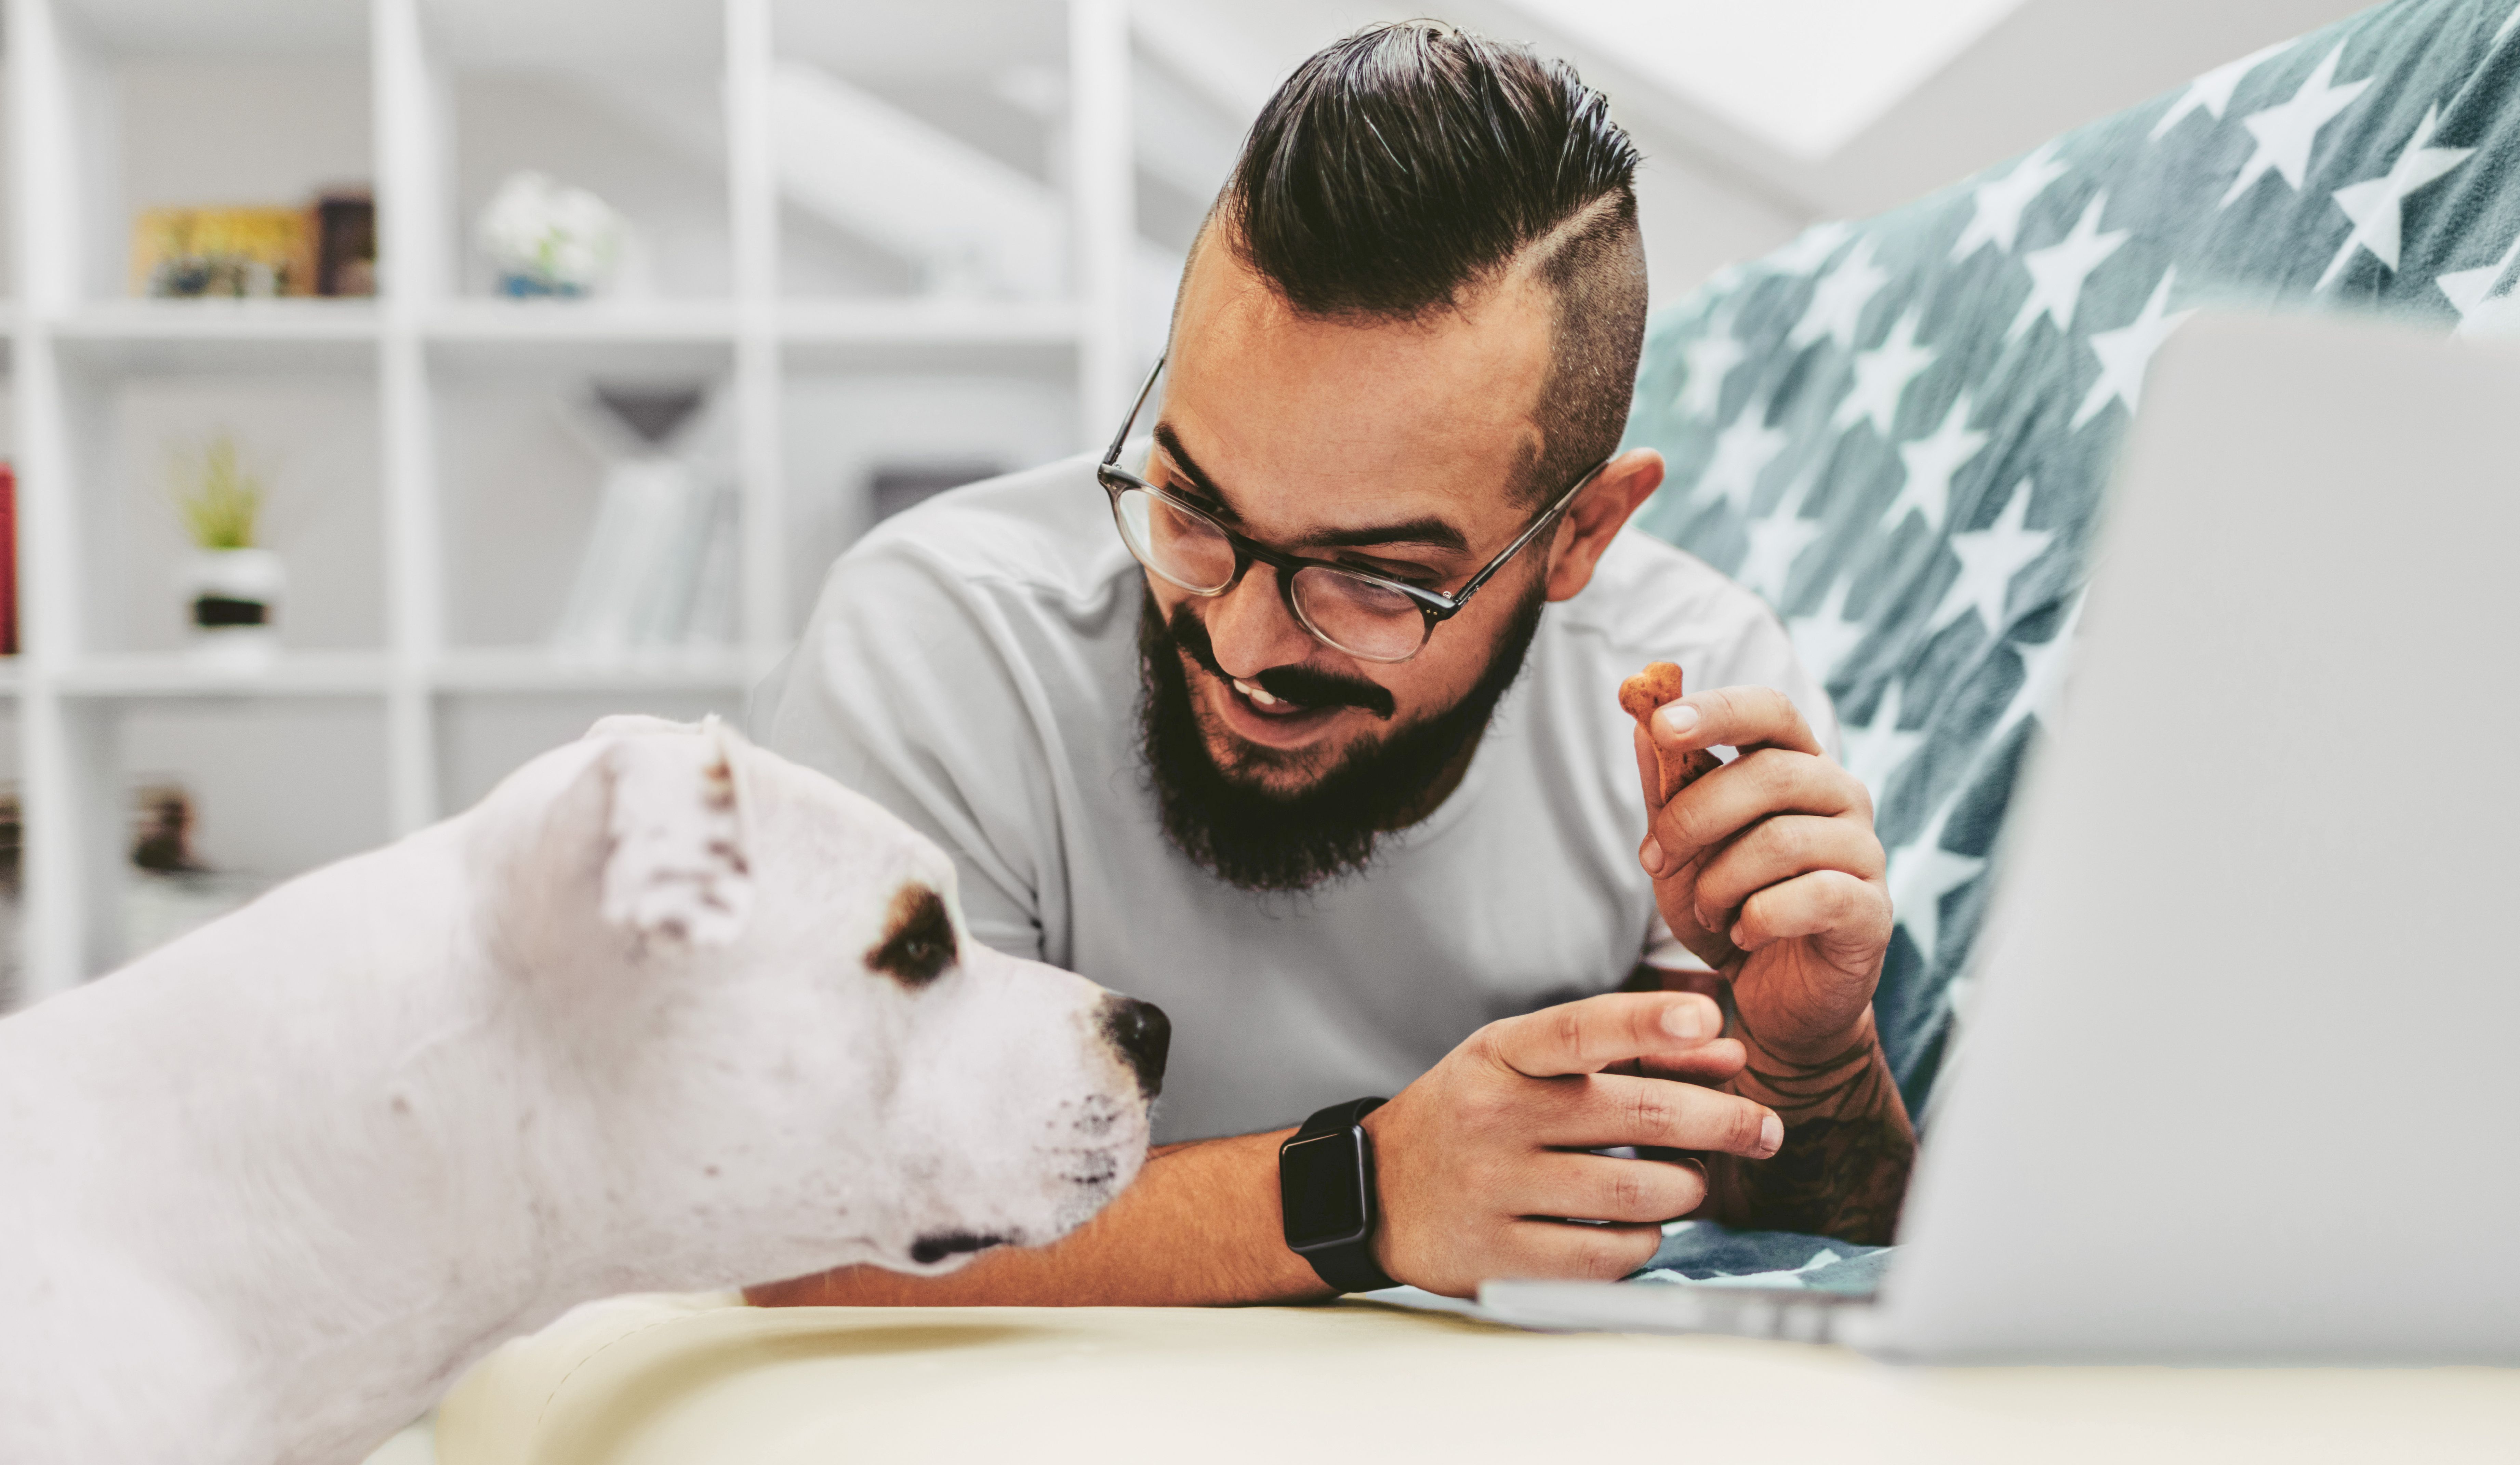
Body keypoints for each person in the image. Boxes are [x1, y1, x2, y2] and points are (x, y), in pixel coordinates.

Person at [746, 20, 1910, 1306]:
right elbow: (806, 1233)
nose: (1244, 645)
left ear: (1579, 534)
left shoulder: (1689, 688)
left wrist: (1812, 1065)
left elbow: (1790, 1214)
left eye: (1374, 579)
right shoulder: (943, 643)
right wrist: (1362, 1191)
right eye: (1193, 505)